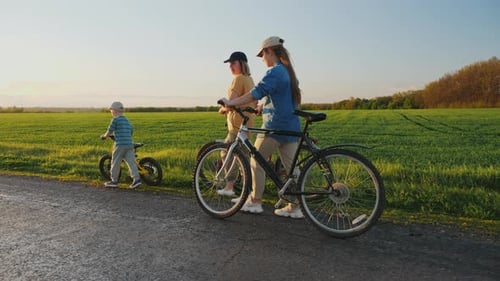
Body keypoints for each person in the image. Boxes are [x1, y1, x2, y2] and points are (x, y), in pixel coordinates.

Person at [219, 36, 304, 218]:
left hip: (274, 126)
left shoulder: (275, 72)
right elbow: (277, 97)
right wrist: (261, 107)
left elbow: (254, 93)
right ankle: (295, 205)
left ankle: (255, 201)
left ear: (269, 51)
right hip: (291, 126)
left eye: (262, 55)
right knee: (291, 169)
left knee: (256, 161)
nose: (262, 59)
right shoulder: (289, 72)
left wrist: (231, 103)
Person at [217, 51, 257, 196]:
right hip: (248, 124)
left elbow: (231, 103)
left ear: (241, 63)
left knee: (226, 153)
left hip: (237, 126)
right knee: (243, 158)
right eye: (229, 64)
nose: (230, 67)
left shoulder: (238, 79)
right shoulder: (249, 79)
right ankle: (248, 192)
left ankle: (229, 187)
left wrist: (222, 109)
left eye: (233, 63)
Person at [100, 101, 142, 189]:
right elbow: (131, 130)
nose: (111, 112)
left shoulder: (115, 120)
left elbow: (109, 131)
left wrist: (104, 136)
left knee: (115, 163)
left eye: (111, 110)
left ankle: (114, 181)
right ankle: (136, 180)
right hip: (129, 144)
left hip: (120, 145)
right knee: (131, 163)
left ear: (115, 110)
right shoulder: (126, 120)